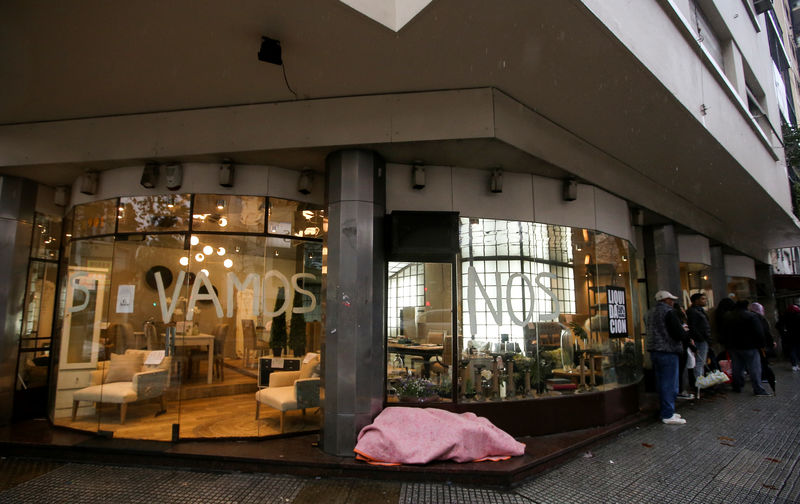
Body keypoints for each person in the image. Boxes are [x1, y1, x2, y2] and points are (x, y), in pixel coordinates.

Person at [646, 290, 688, 425]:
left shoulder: (649, 313)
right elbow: (677, 332)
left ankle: (667, 410)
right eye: (671, 299)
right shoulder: (669, 312)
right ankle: (668, 413)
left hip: (654, 350)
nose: (673, 302)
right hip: (668, 350)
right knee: (670, 383)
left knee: (662, 382)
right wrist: (686, 335)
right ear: (666, 300)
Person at [723, 300, 770, 396]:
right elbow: (759, 332)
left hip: (734, 346)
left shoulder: (728, 316)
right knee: (754, 368)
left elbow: (724, 331)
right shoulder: (752, 316)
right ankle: (758, 389)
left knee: (737, 367)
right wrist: (762, 345)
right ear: (747, 306)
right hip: (750, 346)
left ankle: (737, 386)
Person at [748, 302, 776, 394]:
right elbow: (764, 332)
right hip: (759, 345)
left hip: (751, 345)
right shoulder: (758, 318)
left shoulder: (749, 317)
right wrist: (769, 343)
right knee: (761, 362)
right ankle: (763, 378)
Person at [687, 293, 711, 383]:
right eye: (702, 299)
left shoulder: (699, 311)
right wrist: (701, 338)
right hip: (699, 340)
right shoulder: (693, 311)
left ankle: (700, 381)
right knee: (699, 362)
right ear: (696, 301)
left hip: (703, 339)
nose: (705, 301)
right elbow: (693, 327)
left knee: (701, 362)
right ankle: (699, 382)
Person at [673, 303, 695, 399]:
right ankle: (680, 390)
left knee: (680, 370)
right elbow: (684, 335)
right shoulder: (679, 321)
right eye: (682, 309)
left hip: (680, 347)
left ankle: (679, 390)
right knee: (680, 370)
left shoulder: (678, 321)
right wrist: (692, 345)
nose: (684, 310)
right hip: (682, 348)